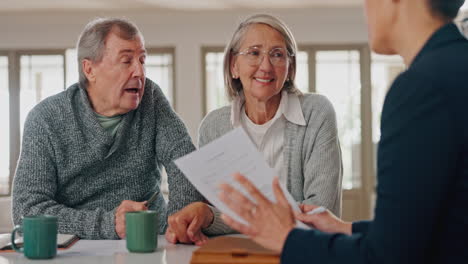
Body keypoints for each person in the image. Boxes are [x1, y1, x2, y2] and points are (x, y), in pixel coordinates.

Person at [218, 0, 468, 263]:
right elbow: (429, 226)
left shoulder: (421, 88)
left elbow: (386, 257)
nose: (366, 8)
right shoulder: (454, 68)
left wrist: (287, 238)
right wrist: (347, 228)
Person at [12, 18, 204, 239]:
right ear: (89, 69)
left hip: (151, 239)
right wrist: (108, 224)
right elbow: (27, 211)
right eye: (126, 61)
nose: (139, 72)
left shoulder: (150, 98)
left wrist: (178, 223)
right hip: (79, 248)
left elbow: (186, 164)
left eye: (142, 60)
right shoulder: (46, 118)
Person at [165, 14, 343, 245]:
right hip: (238, 253)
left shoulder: (317, 112)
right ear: (233, 66)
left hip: (303, 251)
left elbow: (321, 212)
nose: (266, 66)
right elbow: (222, 212)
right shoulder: (214, 126)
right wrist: (206, 214)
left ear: (290, 68)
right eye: (254, 52)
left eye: (277, 54)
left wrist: (221, 217)